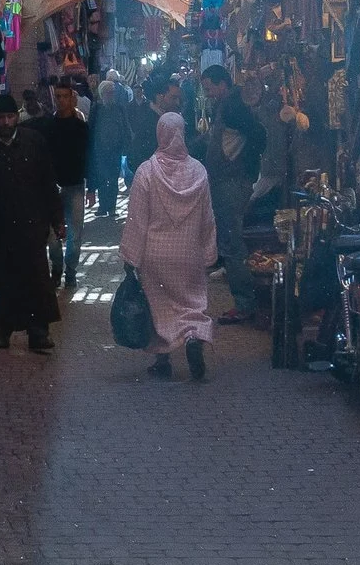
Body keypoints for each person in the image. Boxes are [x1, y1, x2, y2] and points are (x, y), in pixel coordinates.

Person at [122, 112, 216, 381]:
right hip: (189, 253)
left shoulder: (147, 171)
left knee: (158, 306)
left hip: (155, 255)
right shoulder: (199, 171)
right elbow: (207, 218)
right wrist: (209, 252)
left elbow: (137, 219)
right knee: (191, 303)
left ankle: (162, 360)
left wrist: (130, 256)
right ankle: (193, 336)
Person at [0, 92, 62, 352]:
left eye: (10, 117)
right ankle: (3, 329)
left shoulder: (34, 142)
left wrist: (57, 219)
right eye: (1, 117)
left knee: (37, 278)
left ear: (17, 117)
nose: (6, 122)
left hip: (32, 224)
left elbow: (48, 182)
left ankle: (39, 332)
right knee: (3, 279)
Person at [194, 64, 265, 325]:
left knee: (232, 243)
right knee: (230, 241)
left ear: (222, 84)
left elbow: (258, 135)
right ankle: (245, 302)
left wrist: (242, 164)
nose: (207, 93)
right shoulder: (228, 105)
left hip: (232, 182)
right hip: (229, 179)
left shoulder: (234, 106)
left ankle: (245, 304)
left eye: (209, 87)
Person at [39, 81, 91, 292]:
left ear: (72, 99)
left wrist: (92, 187)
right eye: (58, 96)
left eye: (64, 96)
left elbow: (89, 157)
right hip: (51, 188)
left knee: (75, 234)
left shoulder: (81, 127)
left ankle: (70, 271)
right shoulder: (47, 127)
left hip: (75, 185)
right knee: (52, 235)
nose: (60, 100)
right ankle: (57, 269)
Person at [87, 75, 133, 223]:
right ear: (102, 94)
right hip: (100, 149)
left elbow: (125, 125)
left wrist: (126, 143)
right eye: (108, 92)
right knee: (102, 177)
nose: (111, 95)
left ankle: (111, 206)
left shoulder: (119, 108)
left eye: (112, 92)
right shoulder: (96, 108)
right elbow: (91, 127)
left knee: (113, 178)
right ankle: (103, 206)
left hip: (115, 148)